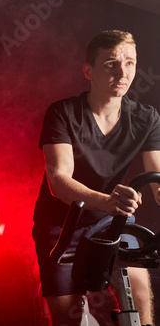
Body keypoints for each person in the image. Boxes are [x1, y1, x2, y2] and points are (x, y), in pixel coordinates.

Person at [33, 30, 158, 326]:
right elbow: (59, 181)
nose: (123, 71)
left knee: (138, 293)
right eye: (111, 63)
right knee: (70, 319)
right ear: (88, 70)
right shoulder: (63, 112)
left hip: (110, 221)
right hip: (61, 224)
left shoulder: (146, 117)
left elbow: (157, 179)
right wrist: (108, 201)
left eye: (130, 63)